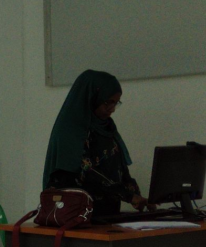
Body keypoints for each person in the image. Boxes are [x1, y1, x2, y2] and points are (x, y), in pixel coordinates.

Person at [43, 69, 154, 216]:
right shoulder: (71, 130)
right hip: (75, 215)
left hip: (107, 213)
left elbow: (119, 167)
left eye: (116, 103)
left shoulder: (106, 127)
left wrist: (138, 197)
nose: (112, 109)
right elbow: (87, 171)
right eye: (108, 102)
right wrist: (128, 196)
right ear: (92, 97)